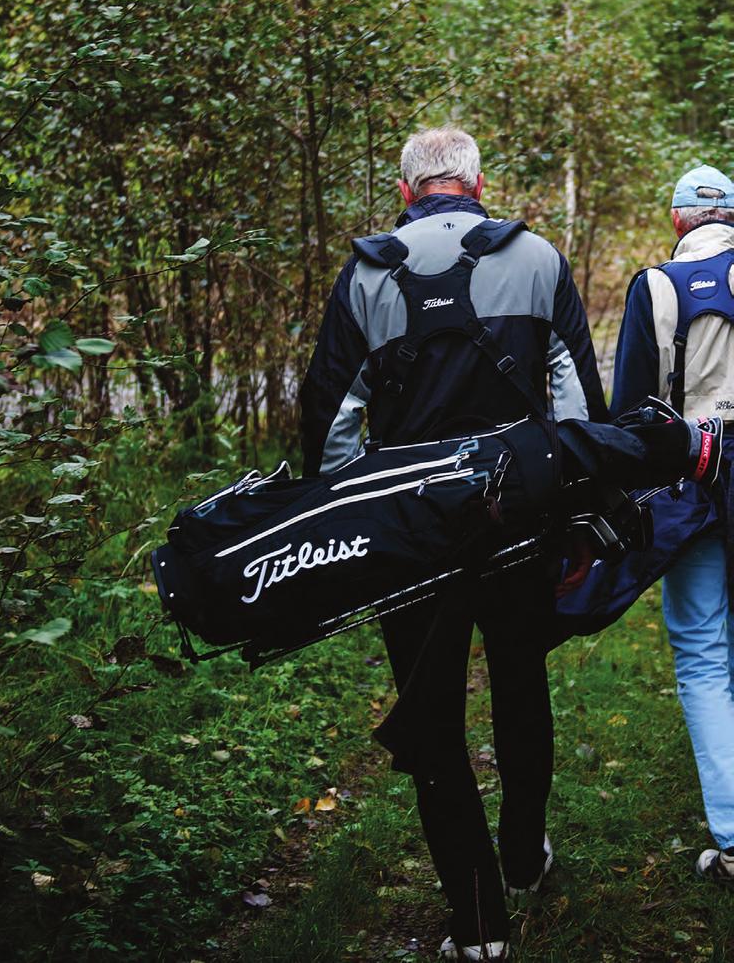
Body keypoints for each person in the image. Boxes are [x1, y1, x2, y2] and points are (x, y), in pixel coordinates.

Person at [299, 127, 607, 961]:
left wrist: (353, 524)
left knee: (431, 716)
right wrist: (573, 510)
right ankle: (522, 856)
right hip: (519, 525)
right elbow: (579, 406)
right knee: (519, 679)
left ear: (406, 192)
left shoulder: (365, 272)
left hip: (410, 536)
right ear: (478, 184)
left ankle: (474, 921)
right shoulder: (538, 258)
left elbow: (330, 426)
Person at [610, 163, 734, 888]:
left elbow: (633, 414)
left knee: (700, 652)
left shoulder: (656, 287)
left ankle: (731, 834)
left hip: (691, 483)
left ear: (678, 220)